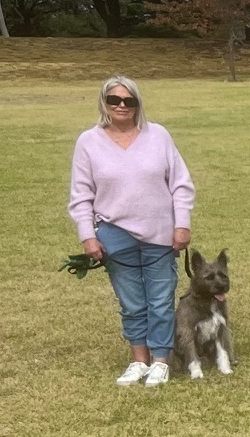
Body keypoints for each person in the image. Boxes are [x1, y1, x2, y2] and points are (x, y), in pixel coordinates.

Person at [69, 75, 195, 386]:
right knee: (132, 303)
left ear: (138, 104)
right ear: (104, 103)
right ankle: (139, 359)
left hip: (160, 233)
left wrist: (182, 224)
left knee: (160, 300)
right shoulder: (88, 142)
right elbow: (81, 194)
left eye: (129, 100)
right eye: (114, 100)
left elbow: (180, 184)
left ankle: (161, 360)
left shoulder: (158, 136)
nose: (122, 106)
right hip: (114, 233)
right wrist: (88, 235)